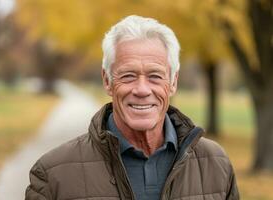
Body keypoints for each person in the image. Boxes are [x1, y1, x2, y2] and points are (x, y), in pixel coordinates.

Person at [25, 15, 239, 200]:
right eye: (128, 75)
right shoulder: (53, 175)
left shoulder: (216, 164)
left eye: (155, 76)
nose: (142, 89)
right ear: (107, 80)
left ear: (173, 82)